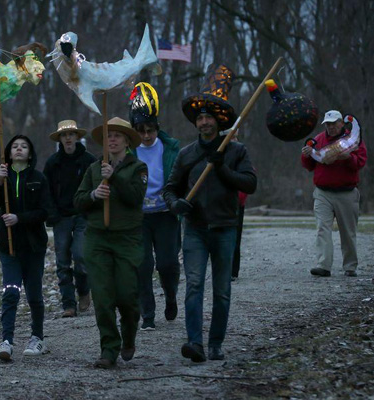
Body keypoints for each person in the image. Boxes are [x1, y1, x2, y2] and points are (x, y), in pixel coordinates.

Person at [163, 64, 257, 362]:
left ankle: (215, 342)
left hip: (225, 228)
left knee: (222, 290)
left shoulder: (235, 150)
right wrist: (175, 204)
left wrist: (223, 168)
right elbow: (170, 188)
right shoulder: (187, 154)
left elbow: (250, 184)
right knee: (193, 285)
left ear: (219, 121)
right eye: (200, 117)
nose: (204, 122)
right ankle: (195, 344)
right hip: (195, 229)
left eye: (208, 117)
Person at [74, 117, 148, 369]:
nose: (112, 140)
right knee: (103, 298)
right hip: (97, 239)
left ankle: (129, 336)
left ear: (127, 140)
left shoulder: (138, 167)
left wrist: (114, 177)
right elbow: (78, 200)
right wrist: (94, 194)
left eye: (117, 135)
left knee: (127, 295)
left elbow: (135, 197)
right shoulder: (94, 169)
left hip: (127, 239)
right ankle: (108, 348)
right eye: (109, 136)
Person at [0, 134, 51, 361]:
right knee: (11, 292)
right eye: (15, 146)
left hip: (33, 246)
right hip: (9, 246)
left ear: (30, 153)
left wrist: (19, 218)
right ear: (8, 152)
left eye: (24, 146)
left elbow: (45, 211)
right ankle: (6, 341)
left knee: (34, 294)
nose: (19, 149)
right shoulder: (2, 176)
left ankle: (37, 337)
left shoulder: (38, 178)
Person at [128, 82, 181, 331]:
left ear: (156, 129)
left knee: (167, 264)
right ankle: (147, 314)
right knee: (142, 264)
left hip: (165, 213)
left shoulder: (170, 148)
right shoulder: (128, 153)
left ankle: (170, 295)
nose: (146, 135)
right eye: (141, 131)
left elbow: (180, 175)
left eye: (150, 130)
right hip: (139, 217)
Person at [301, 110, 367, 277]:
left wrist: (348, 158)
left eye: (334, 123)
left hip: (347, 192)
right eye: (328, 124)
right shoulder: (318, 140)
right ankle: (323, 265)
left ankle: (350, 267)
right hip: (323, 192)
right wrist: (306, 156)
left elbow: (360, 162)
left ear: (341, 123)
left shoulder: (353, 139)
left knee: (348, 233)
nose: (330, 127)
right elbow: (309, 166)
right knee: (322, 229)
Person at [43, 120, 97, 318]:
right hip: (61, 216)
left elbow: (95, 185)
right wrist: (52, 214)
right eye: (64, 135)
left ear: (77, 137)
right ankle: (68, 303)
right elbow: (46, 191)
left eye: (71, 135)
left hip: (83, 214)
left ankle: (84, 290)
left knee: (81, 255)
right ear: (60, 139)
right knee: (63, 261)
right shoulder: (52, 163)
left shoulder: (89, 160)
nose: (67, 138)